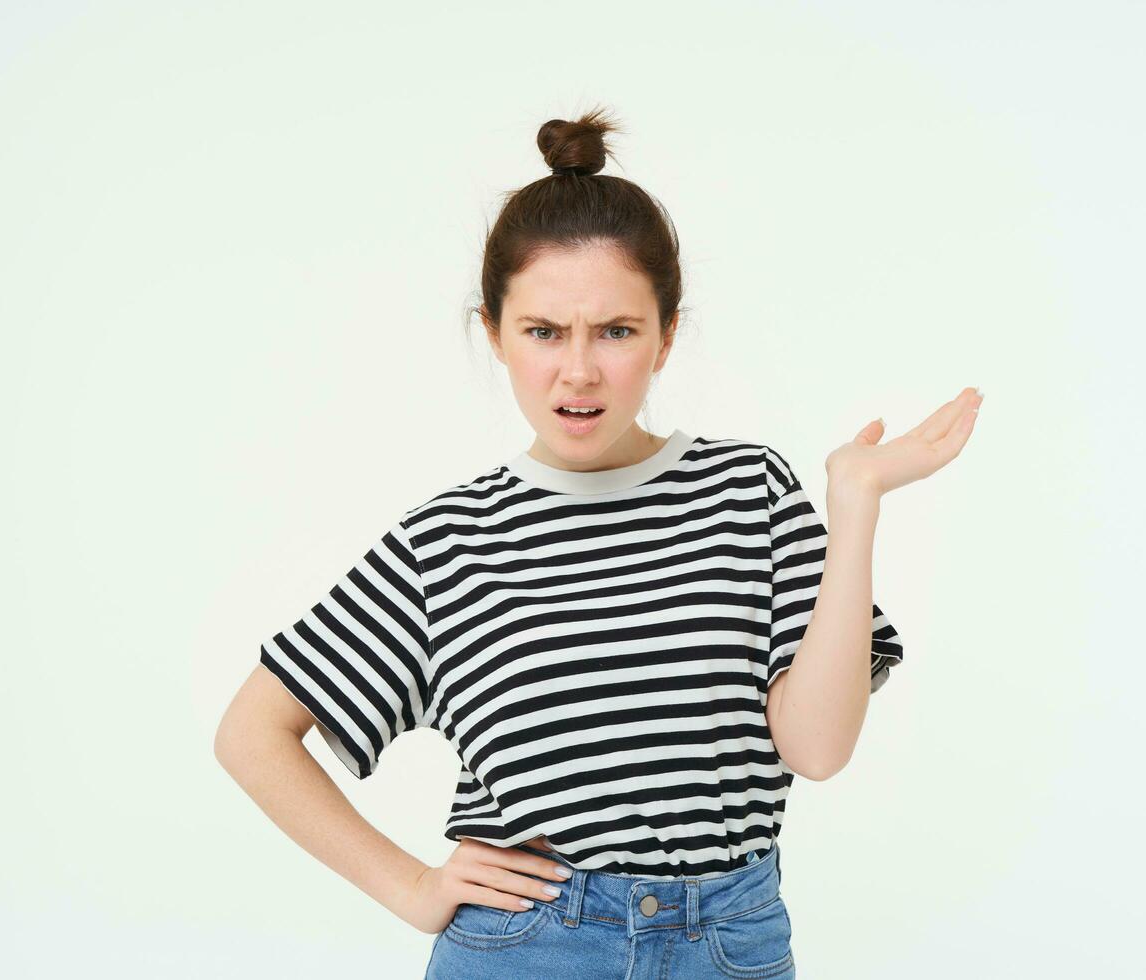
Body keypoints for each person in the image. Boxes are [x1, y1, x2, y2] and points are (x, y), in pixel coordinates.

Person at [214, 105, 982, 978]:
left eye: (616, 331)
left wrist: (855, 505)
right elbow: (253, 733)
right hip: (530, 946)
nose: (578, 370)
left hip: (731, 945)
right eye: (543, 331)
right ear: (495, 334)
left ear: (665, 338)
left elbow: (816, 749)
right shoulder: (449, 543)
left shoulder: (749, 492)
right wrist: (412, 886)